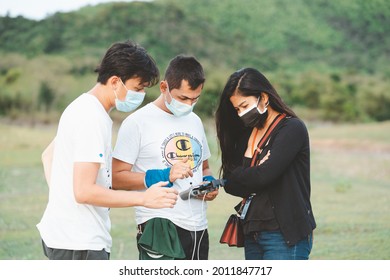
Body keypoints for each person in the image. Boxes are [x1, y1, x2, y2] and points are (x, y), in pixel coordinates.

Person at [36, 41, 178, 260]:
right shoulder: (92, 118)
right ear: (115, 81)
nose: (140, 95)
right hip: (80, 242)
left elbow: (48, 155)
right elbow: (83, 192)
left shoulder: (80, 107)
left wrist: (63, 199)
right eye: (138, 88)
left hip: (65, 236)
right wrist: (144, 199)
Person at [112, 55, 218, 260]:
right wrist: (165, 175)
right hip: (159, 224)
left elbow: (203, 168)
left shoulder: (194, 121)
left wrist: (208, 184)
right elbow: (116, 178)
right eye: (183, 98)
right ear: (164, 87)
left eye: (195, 98)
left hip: (198, 226)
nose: (189, 104)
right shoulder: (137, 123)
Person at [215, 68, 316, 260]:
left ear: (263, 97)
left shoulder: (291, 128)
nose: (241, 114)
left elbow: (264, 176)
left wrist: (246, 174)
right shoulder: (248, 133)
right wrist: (254, 173)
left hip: (283, 234)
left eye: (244, 106)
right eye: (237, 109)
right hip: (253, 233)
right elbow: (230, 183)